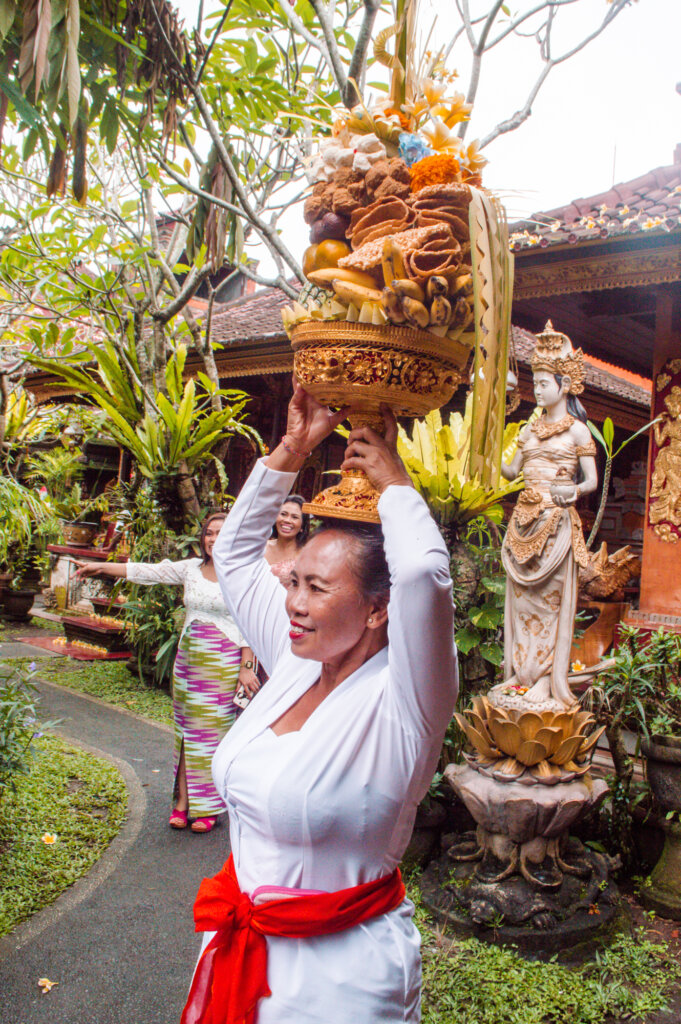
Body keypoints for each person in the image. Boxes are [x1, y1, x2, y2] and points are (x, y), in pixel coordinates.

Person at [180, 382, 458, 1024]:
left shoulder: (408, 703)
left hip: (341, 980)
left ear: (378, 609)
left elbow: (423, 575)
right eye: (294, 582)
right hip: (239, 947)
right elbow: (233, 553)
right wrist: (292, 449)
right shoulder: (294, 661)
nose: (294, 603)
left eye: (317, 587)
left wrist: (395, 485)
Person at [74, 513, 260, 834]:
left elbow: (250, 625)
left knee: (214, 736)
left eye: (221, 533)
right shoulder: (190, 569)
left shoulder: (243, 575)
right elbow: (150, 571)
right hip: (189, 662)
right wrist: (102, 567)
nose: (213, 539)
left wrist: (246, 668)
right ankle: (183, 802)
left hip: (224, 666)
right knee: (187, 734)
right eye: (209, 533)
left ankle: (209, 806)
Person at [498, 322, 598, 709]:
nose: (536, 390)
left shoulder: (577, 432)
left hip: (556, 525)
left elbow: (589, 481)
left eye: (543, 383)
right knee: (522, 605)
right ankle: (519, 675)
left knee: (551, 604)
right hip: (522, 524)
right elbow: (510, 473)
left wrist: (571, 490)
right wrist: (489, 442)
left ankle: (544, 679)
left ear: (564, 385)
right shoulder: (528, 430)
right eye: (535, 383)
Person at [264, 493, 309, 584]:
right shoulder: (261, 548)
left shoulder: (306, 556)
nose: (287, 520)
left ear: (302, 526)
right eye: (283, 514)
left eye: (294, 517)